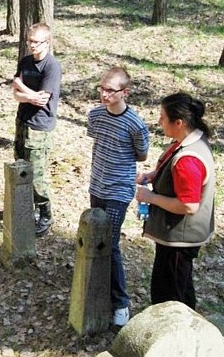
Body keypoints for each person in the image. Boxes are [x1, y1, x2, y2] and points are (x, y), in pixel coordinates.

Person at [136, 92, 215, 310]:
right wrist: (155, 175)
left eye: (162, 117)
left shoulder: (188, 159)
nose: (159, 121)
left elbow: (189, 205)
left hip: (179, 239)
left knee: (170, 297)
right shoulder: (190, 139)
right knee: (180, 285)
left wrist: (150, 197)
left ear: (178, 122)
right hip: (176, 237)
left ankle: (177, 337)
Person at [87, 67, 149, 327]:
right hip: (97, 186)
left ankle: (121, 303)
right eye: (102, 88)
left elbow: (142, 155)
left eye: (110, 90)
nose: (104, 94)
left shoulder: (135, 125)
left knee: (110, 244)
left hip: (119, 190)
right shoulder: (95, 116)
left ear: (125, 92)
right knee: (95, 239)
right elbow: (96, 141)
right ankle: (95, 291)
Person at [12, 22, 62, 237]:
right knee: (21, 166)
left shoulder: (52, 67)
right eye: (30, 41)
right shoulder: (25, 62)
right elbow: (15, 94)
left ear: (47, 42)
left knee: (37, 175)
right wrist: (25, 94)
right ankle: (28, 209)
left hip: (40, 127)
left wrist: (22, 87)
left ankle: (45, 212)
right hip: (22, 121)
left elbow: (42, 100)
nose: (32, 46)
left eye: (37, 42)